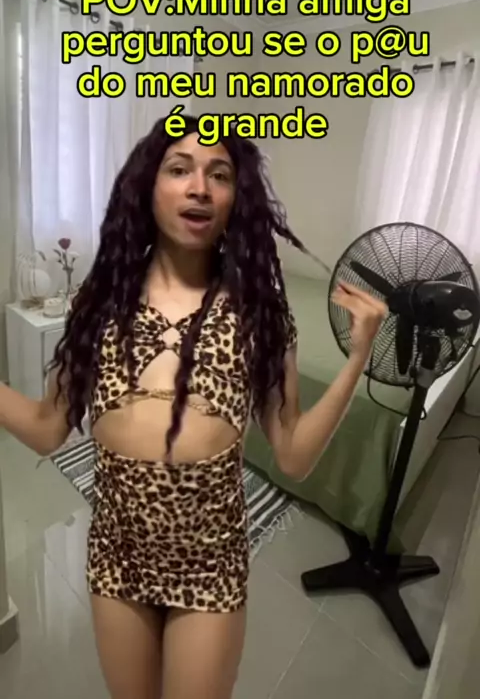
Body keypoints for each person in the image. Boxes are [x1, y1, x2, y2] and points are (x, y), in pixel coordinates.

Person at [0, 115, 387, 699]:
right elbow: (47, 427)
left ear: (236, 199)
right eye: (179, 169)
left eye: (219, 175)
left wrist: (358, 357)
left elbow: (293, 455)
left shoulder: (260, 315)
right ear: (148, 187)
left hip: (211, 565)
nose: (199, 187)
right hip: (118, 555)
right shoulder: (98, 304)